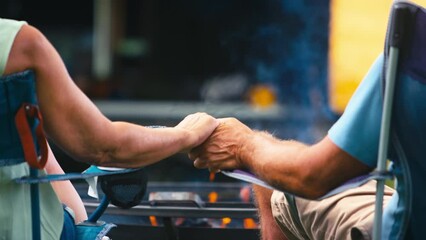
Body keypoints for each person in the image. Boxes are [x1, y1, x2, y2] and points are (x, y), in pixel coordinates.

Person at [0, 18, 218, 239]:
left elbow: (39, 152)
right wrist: (189, 135)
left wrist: (82, 224)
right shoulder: (21, 44)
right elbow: (105, 148)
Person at [189, 54, 397, 240]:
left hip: (402, 229)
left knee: (274, 181)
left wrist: (244, 145)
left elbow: (314, 176)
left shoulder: (405, 54)